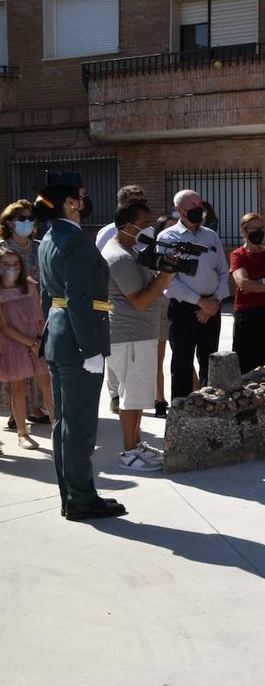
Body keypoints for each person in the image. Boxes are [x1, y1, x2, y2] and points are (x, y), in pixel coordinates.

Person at [33, 180, 126, 521]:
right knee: (80, 425)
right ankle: (81, 498)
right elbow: (78, 299)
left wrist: (49, 335)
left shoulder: (49, 239)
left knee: (64, 423)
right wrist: (90, 348)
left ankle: (72, 495)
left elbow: (48, 297)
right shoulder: (75, 242)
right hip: (78, 343)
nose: (87, 202)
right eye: (82, 198)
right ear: (70, 204)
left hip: (59, 338)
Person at [103, 201, 176, 472]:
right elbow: (140, 301)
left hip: (138, 335)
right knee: (130, 397)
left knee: (136, 396)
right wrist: (165, 277)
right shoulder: (119, 258)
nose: (148, 228)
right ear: (127, 226)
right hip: (129, 336)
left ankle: (136, 444)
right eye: (144, 224)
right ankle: (129, 452)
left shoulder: (131, 252)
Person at [161, 189, 229, 399]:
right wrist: (200, 302)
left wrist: (214, 302)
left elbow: (223, 272)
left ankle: (209, 411)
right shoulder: (168, 238)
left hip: (212, 308)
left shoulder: (211, 236)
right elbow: (168, 281)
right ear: (179, 210)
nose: (199, 209)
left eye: (200, 205)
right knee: (182, 363)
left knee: (210, 363)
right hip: (184, 310)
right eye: (193, 206)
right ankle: (180, 415)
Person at [96, 186, 147, 414]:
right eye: (135, 201)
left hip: (144, 302)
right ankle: (116, 395)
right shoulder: (108, 233)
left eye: (142, 200)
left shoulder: (147, 229)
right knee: (116, 357)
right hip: (118, 300)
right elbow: (100, 267)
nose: (140, 204)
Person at [0, 199, 50, 429]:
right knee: (17, 367)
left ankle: (36, 407)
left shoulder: (40, 246)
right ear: (9, 222)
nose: (27, 222)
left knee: (39, 363)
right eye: (22, 218)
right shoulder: (3, 249)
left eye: (31, 218)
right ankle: (16, 415)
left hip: (38, 306)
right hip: (10, 311)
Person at [0, 247, 53, 450]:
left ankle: (58, 425)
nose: (11, 268)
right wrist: (29, 343)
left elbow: (40, 316)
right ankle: (22, 433)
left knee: (46, 382)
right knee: (18, 387)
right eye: (5, 264)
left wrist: (38, 340)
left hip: (35, 340)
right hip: (14, 344)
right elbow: (4, 327)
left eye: (15, 264)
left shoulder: (30, 286)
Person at [229, 213, 265, 373]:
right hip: (248, 314)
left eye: (261, 229)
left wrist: (258, 283)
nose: (259, 232)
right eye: (255, 229)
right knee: (247, 360)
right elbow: (243, 283)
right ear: (244, 231)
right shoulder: (238, 255)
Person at [152, 214, 177, 417]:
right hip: (160, 307)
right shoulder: (153, 255)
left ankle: (195, 393)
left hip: (179, 306)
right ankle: (159, 400)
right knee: (158, 358)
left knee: (182, 354)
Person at [95, 184, 146, 250]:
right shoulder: (107, 233)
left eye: (142, 201)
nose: (140, 206)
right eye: (134, 202)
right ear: (121, 205)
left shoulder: (149, 231)